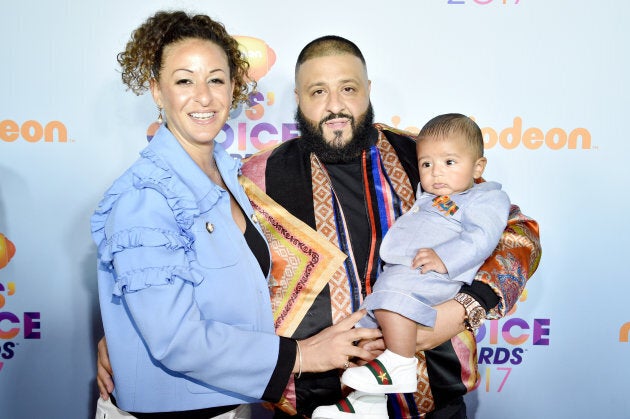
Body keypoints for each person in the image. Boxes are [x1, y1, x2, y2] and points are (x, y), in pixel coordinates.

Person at [97, 35, 541, 418]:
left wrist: (463, 310)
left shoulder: (422, 156)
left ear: (368, 89)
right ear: (297, 97)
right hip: (309, 406)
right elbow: (196, 268)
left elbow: (517, 232)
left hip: (432, 399)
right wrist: (128, 331)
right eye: (317, 92)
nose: (334, 106)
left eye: (348, 88)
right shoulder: (253, 176)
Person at [91, 13, 380, 419]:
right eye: (184, 80)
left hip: (231, 402)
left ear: (233, 87)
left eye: (216, 79)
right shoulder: (146, 195)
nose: (204, 97)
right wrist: (300, 356)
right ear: (157, 91)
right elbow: (174, 339)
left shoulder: (233, 176)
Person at [311, 113, 511, 418]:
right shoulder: (435, 195)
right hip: (407, 274)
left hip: (434, 278)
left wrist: (445, 259)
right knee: (368, 331)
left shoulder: (485, 199)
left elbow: (481, 238)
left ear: (478, 167)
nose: (435, 173)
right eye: (427, 164)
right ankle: (367, 405)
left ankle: (400, 365)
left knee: (393, 304)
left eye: (449, 162)